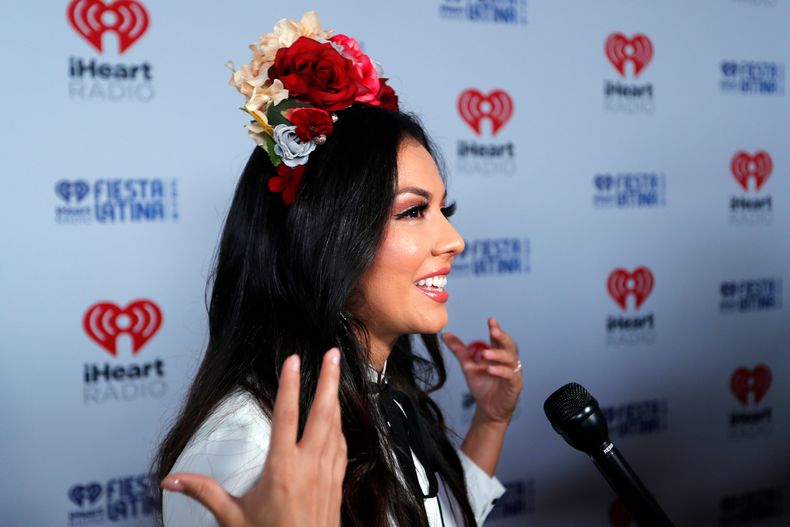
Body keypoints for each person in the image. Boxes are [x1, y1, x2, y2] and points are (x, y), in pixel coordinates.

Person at [154, 11, 523, 527]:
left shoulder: (372, 392)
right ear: (327, 239)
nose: (454, 240)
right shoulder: (243, 446)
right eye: (414, 212)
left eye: (445, 211)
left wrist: (491, 421)